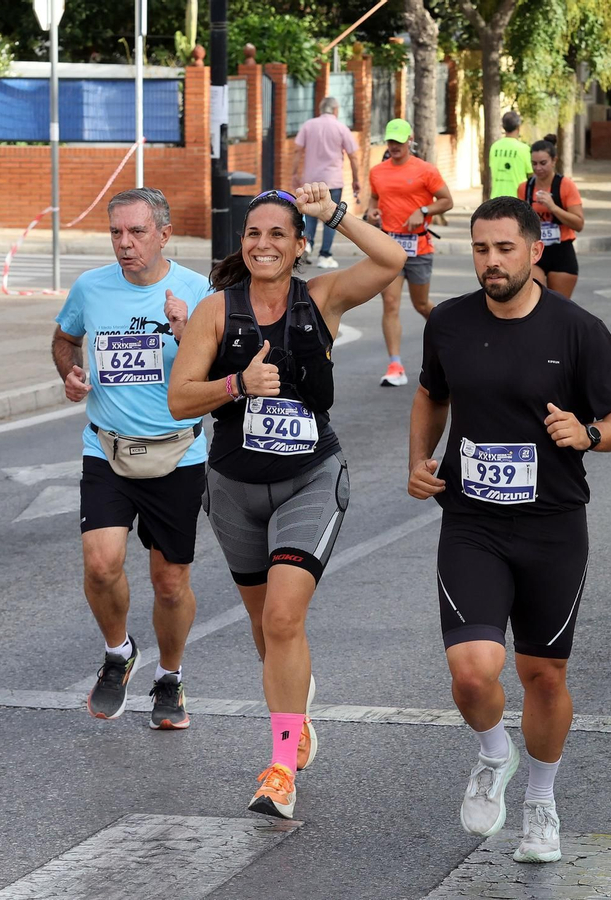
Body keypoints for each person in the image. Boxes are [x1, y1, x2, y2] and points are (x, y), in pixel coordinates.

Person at [407, 196, 611, 864]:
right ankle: (493, 753)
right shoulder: (448, 323)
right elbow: (432, 393)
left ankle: (541, 803)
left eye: (504, 249)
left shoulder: (577, 330)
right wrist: (419, 461)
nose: (491, 262)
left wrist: (589, 432)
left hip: (552, 526)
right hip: (472, 522)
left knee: (542, 675)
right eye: (481, 250)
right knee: (472, 671)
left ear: (535, 252)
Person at [163, 184, 405, 820]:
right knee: (263, 626)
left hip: (309, 480)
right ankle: (295, 707)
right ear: (241, 245)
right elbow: (178, 400)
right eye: (254, 234)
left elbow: (391, 263)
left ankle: (278, 766)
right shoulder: (217, 310)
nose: (264, 244)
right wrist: (237, 383)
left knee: (282, 618)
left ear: (300, 246)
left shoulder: (319, 297)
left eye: (278, 235)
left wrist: (335, 213)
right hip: (235, 488)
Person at [50, 188, 213, 729]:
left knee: (170, 584)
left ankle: (170, 678)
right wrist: (69, 372)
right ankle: (118, 652)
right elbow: (64, 337)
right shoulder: (91, 287)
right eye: (116, 232)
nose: (125, 244)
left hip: (178, 452)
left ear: (164, 235)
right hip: (108, 446)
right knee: (100, 564)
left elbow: (220, 376)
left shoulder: (196, 290)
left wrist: (186, 330)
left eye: (137, 232)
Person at [368, 118, 454, 387]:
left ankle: (454, 334)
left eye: (399, 141)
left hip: (418, 246)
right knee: (390, 303)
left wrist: (424, 210)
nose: (394, 146)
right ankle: (395, 365)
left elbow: (447, 201)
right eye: (391, 141)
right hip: (389, 247)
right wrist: (372, 211)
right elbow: (374, 198)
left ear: (409, 141)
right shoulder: (378, 171)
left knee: (420, 304)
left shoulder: (425, 170)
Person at [291, 98, 363, 270]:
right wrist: (356, 178)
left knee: (309, 215)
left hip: (311, 179)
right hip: (333, 180)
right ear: (336, 110)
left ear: (320, 109)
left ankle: (307, 243)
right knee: (332, 217)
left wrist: (294, 173)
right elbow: (353, 155)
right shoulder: (341, 128)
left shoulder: (309, 125)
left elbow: (297, 150)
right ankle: (325, 255)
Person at [518, 137, 585, 298]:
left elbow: (579, 224)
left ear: (554, 161)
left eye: (543, 163)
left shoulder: (565, 185)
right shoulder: (525, 188)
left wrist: (553, 207)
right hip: (535, 250)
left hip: (561, 249)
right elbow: (520, 224)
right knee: (534, 301)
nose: (538, 168)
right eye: (534, 164)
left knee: (559, 307)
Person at [489, 111, 533, 200]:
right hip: (517, 199)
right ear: (518, 127)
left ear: (503, 127)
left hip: (496, 198)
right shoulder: (524, 148)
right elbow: (531, 174)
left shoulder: (494, 147)